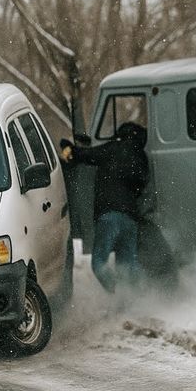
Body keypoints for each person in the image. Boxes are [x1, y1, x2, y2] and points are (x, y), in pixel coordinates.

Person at [60, 122, 149, 293]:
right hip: (130, 218)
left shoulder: (113, 148)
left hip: (108, 216)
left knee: (99, 263)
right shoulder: (141, 157)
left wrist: (69, 148)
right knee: (128, 264)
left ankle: (117, 293)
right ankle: (141, 296)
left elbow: (86, 155)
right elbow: (141, 184)